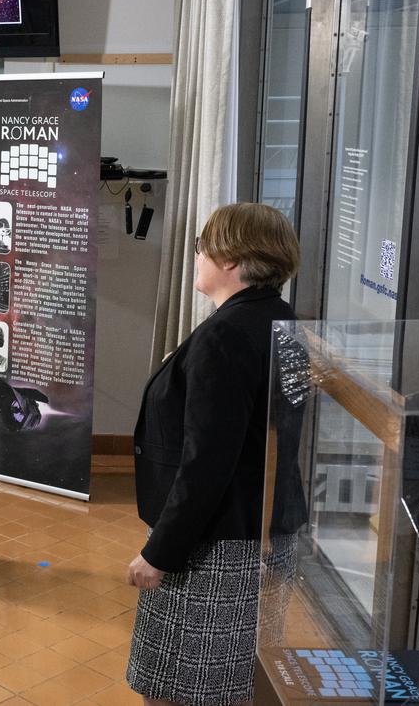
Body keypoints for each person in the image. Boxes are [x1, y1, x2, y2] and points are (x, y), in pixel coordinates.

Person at [126, 202, 300, 706]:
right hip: (259, 531)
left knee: (180, 692)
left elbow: (207, 461)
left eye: (201, 246)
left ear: (231, 258)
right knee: (230, 687)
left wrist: (160, 552)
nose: (197, 255)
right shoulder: (277, 318)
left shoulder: (226, 335)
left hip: (215, 545)